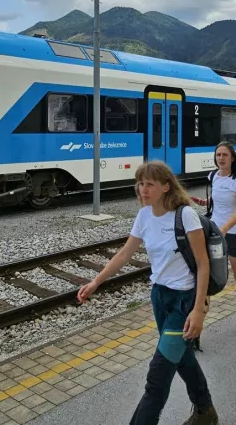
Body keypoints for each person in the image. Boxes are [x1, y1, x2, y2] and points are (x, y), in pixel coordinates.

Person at [78, 161, 219, 425]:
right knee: (182, 357)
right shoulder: (144, 216)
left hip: (184, 301)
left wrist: (198, 309)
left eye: (150, 184)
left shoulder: (184, 215)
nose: (143, 189)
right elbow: (124, 254)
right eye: (140, 183)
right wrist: (96, 281)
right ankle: (206, 412)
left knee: (157, 377)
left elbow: (202, 264)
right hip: (160, 297)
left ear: (166, 187)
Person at [191, 142, 236, 335]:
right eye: (218, 155)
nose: (220, 158)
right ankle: (197, 326)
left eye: (224, 155)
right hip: (215, 235)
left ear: (232, 158)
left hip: (235, 235)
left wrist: (224, 229)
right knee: (207, 279)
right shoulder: (213, 176)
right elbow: (220, 199)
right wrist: (206, 202)